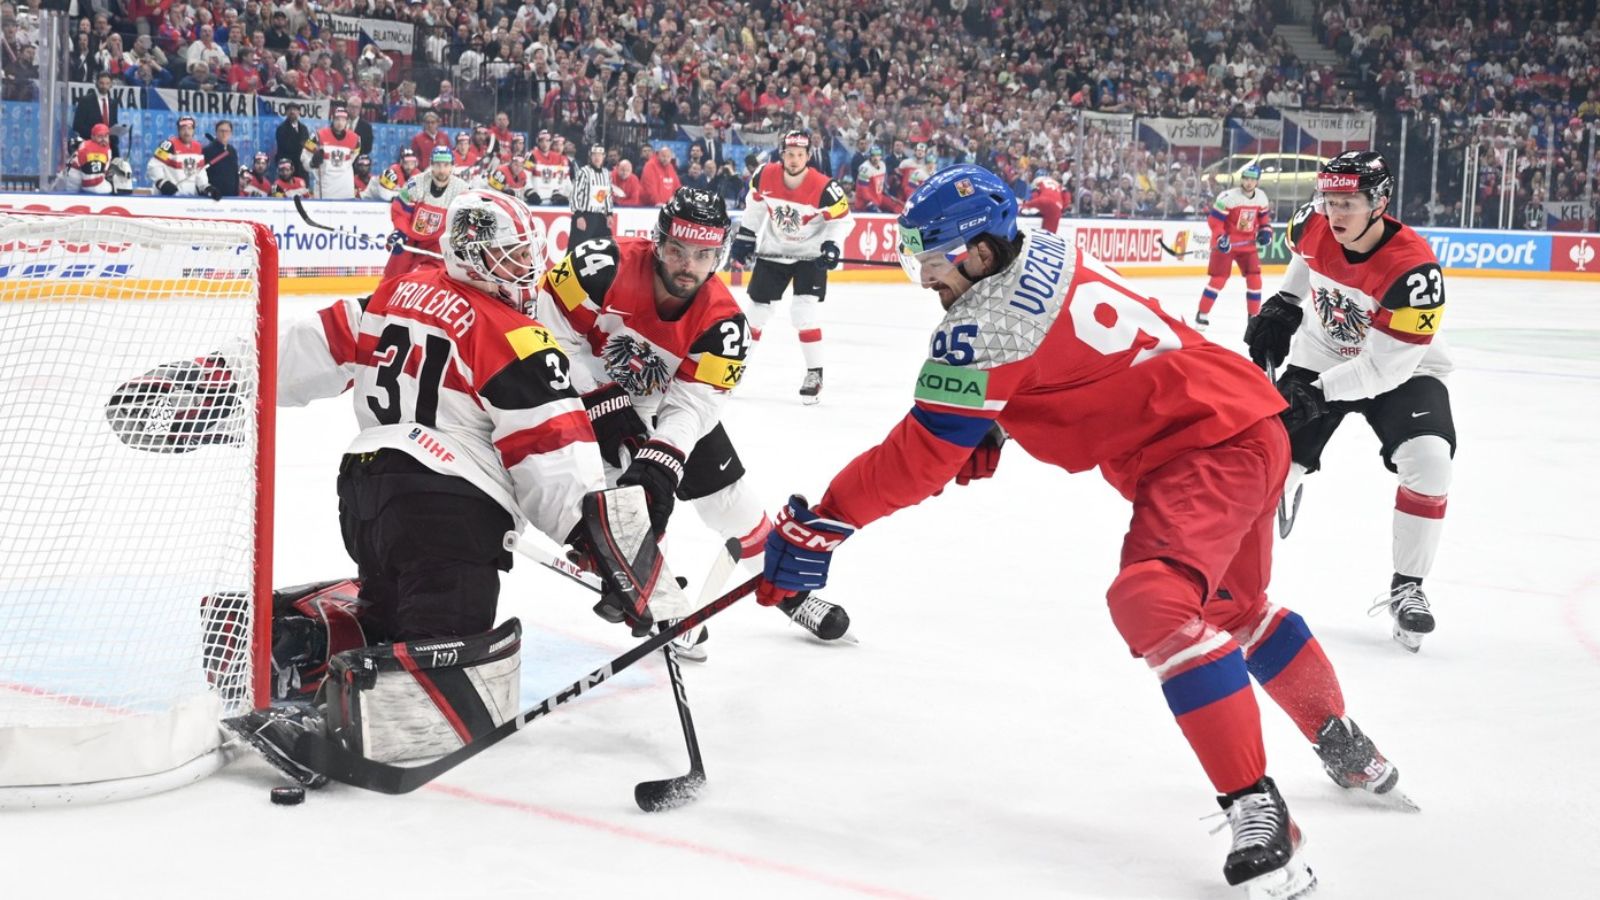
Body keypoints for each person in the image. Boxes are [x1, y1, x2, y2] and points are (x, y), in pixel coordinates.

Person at [759, 164, 1407, 897]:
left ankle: (1258, 808)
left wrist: (825, 522)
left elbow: (918, 456)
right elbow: (1064, 360)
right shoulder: (1045, 249)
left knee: (1154, 602)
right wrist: (996, 424)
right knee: (1233, 609)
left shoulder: (981, 329)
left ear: (975, 252)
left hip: (1197, 450)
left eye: (932, 259)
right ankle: (1344, 743)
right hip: (1245, 419)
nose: (923, 278)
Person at [225, 190, 680, 781]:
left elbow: (305, 348)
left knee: (392, 615)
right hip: (449, 513)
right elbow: (553, 455)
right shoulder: (513, 335)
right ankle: (330, 731)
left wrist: (218, 378)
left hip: (365, 499)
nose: (526, 273)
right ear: (471, 257)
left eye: (527, 256)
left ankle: (298, 644)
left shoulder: (396, 292)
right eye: (509, 259)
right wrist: (615, 554)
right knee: (452, 648)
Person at [531, 187, 852, 647]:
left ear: (719, 254)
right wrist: (597, 396)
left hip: (665, 405)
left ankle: (790, 594)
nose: (688, 265)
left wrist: (665, 457)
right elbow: (545, 332)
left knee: (730, 503)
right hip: (578, 400)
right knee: (628, 509)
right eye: (678, 250)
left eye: (703, 254)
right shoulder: (598, 266)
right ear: (659, 241)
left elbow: (694, 404)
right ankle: (657, 597)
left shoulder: (724, 324)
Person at [1243, 151, 1452, 653]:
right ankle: (1230, 582)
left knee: (1429, 461)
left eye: (1349, 203)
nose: (1335, 214)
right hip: (1322, 355)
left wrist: (1316, 393)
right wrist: (1286, 303)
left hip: (1403, 369)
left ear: (1379, 202)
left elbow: (1384, 368)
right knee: (1261, 466)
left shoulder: (1415, 274)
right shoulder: (1313, 223)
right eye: (1329, 200)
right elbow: (1306, 256)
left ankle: (1409, 588)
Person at [730, 131, 851, 404]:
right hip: (774, 251)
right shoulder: (763, 176)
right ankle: (734, 369)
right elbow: (755, 207)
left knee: (803, 314)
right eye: (789, 154)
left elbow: (842, 220)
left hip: (810, 256)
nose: (794, 160)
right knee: (756, 315)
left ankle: (814, 373)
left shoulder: (824, 187)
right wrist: (746, 236)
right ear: (781, 154)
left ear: (808, 157)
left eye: (800, 155)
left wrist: (831, 245)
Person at [1195, 164, 1273, 330]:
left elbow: (1264, 221)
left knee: (1255, 278)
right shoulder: (1228, 197)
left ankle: (1253, 316)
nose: (1249, 182)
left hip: (1247, 245)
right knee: (1218, 280)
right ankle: (1202, 314)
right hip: (1226, 244)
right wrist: (1220, 238)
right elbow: (1215, 221)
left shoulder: (1261, 197)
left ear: (1257, 181)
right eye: (1246, 178)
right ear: (1242, 179)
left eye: (1252, 179)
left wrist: (1265, 232)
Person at [384, 147, 470, 280]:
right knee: (391, 278)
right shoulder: (416, 182)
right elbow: (401, 210)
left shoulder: (462, 189)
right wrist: (400, 232)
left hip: (437, 246)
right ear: (431, 165)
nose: (441, 170)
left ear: (453, 166)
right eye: (437, 165)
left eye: (446, 165)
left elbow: (466, 221)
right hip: (409, 239)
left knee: (423, 279)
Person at [147, 115, 216, 198]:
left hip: (189, 197)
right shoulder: (168, 145)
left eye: (189, 129)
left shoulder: (198, 147)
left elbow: (200, 172)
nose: (186, 132)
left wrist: (205, 187)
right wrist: (162, 183)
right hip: (168, 197)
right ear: (178, 130)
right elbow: (153, 165)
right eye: (183, 129)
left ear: (194, 130)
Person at [302, 106, 362, 199]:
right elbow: (304, 157)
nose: (340, 123)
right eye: (337, 119)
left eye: (343, 120)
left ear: (347, 121)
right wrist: (312, 163)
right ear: (332, 119)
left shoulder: (356, 139)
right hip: (325, 187)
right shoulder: (317, 136)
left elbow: (352, 159)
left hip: (345, 187)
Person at [570, 143, 613, 242]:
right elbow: (575, 194)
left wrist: (609, 214)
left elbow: (607, 195)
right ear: (590, 156)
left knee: (606, 245)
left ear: (604, 156)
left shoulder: (606, 173)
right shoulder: (584, 172)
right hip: (585, 215)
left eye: (599, 154)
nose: (597, 157)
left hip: (600, 217)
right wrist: (578, 216)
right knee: (577, 248)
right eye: (594, 154)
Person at [73, 72, 120, 158]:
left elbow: (113, 123)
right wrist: (96, 136)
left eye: (107, 83)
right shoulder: (85, 101)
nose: (104, 86)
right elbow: (77, 125)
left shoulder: (113, 103)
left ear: (111, 85)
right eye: (101, 83)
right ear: (96, 83)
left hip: (110, 148)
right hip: (91, 147)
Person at [527, 129, 572, 207]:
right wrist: (530, 192)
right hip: (535, 201)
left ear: (551, 142)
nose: (545, 144)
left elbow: (561, 179)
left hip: (551, 201)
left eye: (547, 141)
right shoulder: (531, 156)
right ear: (538, 142)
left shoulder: (558, 157)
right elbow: (525, 176)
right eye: (542, 141)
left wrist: (558, 193)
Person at [67, 123, 114, 194]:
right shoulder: (92, 150)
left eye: (106, 136)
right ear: (92, 137)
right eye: (100, 136)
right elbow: (91, 184)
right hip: (76, 182)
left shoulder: (100, 147)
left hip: (76, 179)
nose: (103, 139)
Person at [203, 120, 240, 198]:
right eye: (221, 131)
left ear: (231, 133)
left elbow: (235, 173)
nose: (224, 134)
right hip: (214, 196)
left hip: (231, 196)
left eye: (227, 131)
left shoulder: (232, 151)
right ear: (216, 132)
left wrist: (236, 193)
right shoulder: (207, 150)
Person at [274, 103, 310, 180]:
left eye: (295, 110)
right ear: (286, 113)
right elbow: (287, 147)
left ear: (299, 112)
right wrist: (302, 144)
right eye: (290, 110)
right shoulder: (281, 129)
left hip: (302, 168)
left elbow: (307, 145)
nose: (292, 112)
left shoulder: (304, 128)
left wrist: (314, 147)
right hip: (288, 169)